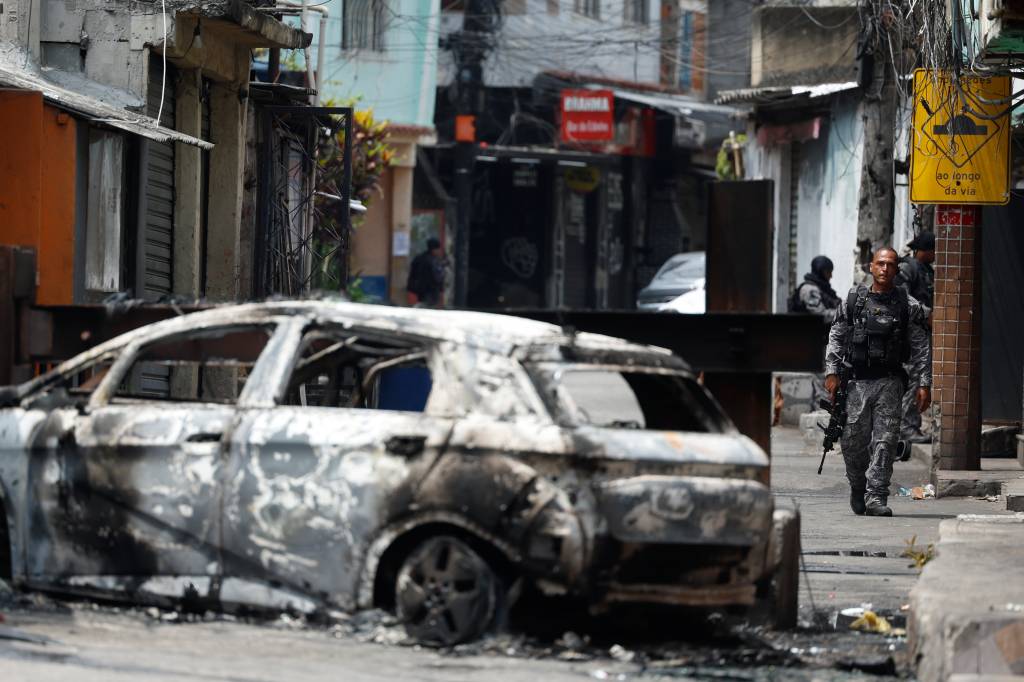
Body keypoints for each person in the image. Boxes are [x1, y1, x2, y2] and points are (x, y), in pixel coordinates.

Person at [825, 247, 931, 517]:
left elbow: (921, 346)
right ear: (871, 267)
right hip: (856, 383)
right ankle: (858, 486)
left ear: (897, 270)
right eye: (880, 264)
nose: (885, 269)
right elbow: (836, 335)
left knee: (886, 441)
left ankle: (876, 496)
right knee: (852, 443)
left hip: (890, 383)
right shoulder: (853, 301)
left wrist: (924, 383)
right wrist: (831, 373)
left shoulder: (908, 306)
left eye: (891, 265)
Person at [896, 231, 936, 444]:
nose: (935, 255)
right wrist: (927, 313)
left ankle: (911, 426)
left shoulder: (926, 270)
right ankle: (907, 429)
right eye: (933, 250)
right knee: (914, 380)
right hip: (911, 334)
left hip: (923, 334)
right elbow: (902, 296)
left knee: (921, 379)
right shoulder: (907, 268)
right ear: (924, 250)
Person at [789, 255, 841, 323]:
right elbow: (820, 314)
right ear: (820, 271)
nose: (831, 276)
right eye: (828, 272)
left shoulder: (823, 289)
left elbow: (837, 303)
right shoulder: (809, 289)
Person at [406, 238, 445, 306]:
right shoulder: (433, 261)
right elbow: (437, 277)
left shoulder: (419, 258)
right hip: (431, 291)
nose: (439, 251)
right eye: (438, 249)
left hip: (421, 291)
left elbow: (412, 274)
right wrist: (441, 289)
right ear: (434, 249)